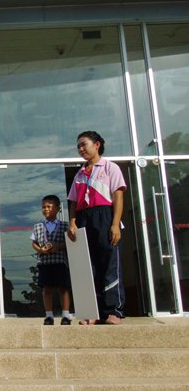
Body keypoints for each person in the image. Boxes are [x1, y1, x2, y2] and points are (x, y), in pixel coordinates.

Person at [67, 131, 126, 325]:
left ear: (97, 144)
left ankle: (114, 311)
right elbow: (73, 202)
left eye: (84, 144)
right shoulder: (79, 174)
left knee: (109, 263)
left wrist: (115, 224)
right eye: (78, 146)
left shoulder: (110, 167)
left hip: (105, 216)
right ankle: (92, 312)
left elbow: (118, 197)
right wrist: (73, 223)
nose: (80, 149)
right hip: (84, 218)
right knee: (88, 266)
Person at [31, 195, 71, 326]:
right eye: (44, 207)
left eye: (49, 206)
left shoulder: (65, 226)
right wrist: (40, 250)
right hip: (45, 263)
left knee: (63, 288)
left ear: (58, 208)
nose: (46, 209)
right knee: (47, 289)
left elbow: (69, 242)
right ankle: (49, 315)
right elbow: (34, 243)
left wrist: (58, 246)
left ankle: (65, 315)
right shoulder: (38, 226)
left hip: (60, 262)